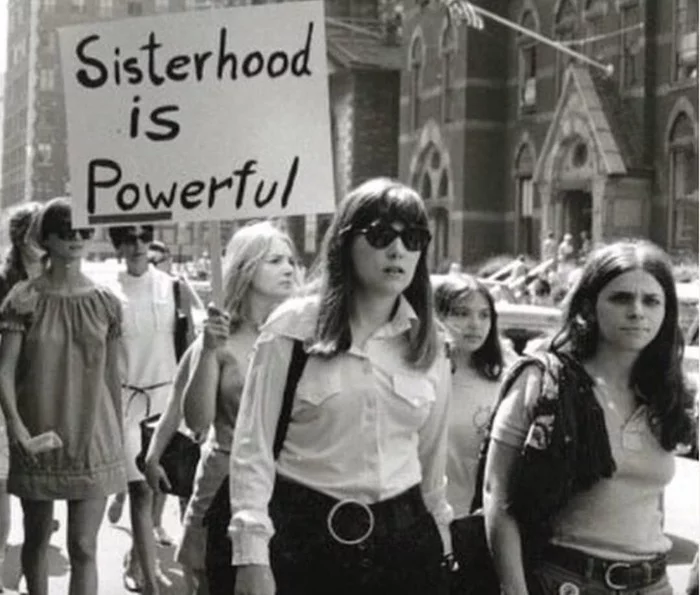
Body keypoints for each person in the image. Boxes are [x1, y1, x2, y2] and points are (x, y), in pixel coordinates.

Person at [229, 178, 454, 595]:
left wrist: (441, 539)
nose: (398, 250)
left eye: (413, 238)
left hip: (404, 544)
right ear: (346, 243)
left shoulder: (431, 343)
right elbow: (251, 447)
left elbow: (431, 458)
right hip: (306, 539)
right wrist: (251, 553)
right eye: (382, 235)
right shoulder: (293, 328)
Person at [483, 240, 695, 595]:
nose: (637, 311)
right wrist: (514, 589)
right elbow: (496, 495)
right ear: (590, 305)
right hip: (567, 582)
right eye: (621, 298)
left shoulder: (664, 393)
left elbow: (648, 500)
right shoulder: (545, 382)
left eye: (651, 301)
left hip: (653, 584)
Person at [0, 197, 126, 595]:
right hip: (39, 435)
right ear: (47, 237)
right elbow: (4, 371)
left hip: (95, 437)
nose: (75, 238)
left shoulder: (106, 303)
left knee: (84, 547)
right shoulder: (25, 298)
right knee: (36, 540)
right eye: (64, 230)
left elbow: (113, 379)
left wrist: (121, 448)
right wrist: (17, 430)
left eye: (83, 231)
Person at [173, 221, 297, 595]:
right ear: (246, 268)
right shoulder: (218, 338)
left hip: (291, 485)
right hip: (223, 485)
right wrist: (209, 350)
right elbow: (196, 420)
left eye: (291, 259)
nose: (289, 268)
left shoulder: (304, 333)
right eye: (275, 260)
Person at [107, 224, 200, 594]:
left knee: (162, 486)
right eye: (129, 240)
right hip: (127, 400)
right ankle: (147, 578)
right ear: (119, 245)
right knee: (141, 491)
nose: (138, 246)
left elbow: (190, 342)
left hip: (167, 400)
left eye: (143, 238)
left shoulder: (173, 287)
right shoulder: (107, 292)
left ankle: (138, 556)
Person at [433, 274, 505, 594]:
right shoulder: (420, 377)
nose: (474, 324)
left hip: (481, 530)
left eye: (484, 314)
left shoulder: (504, 379)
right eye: (461, 313)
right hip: (425, 526)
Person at [0, 202, 44, 591]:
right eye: (36, 230)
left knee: (36, 500)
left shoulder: (56, 278)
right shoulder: (4, 281)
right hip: (6, 398)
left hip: (43, 393)